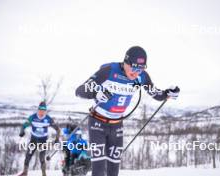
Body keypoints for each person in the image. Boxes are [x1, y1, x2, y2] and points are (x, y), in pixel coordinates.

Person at [75, 46, 180, 176]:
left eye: (141, 69)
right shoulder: (108, 71)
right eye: (134, 68)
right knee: (99, 169)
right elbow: (79, 91)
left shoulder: (142, 76)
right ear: (126, 62)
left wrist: (167, 93)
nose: (136, 73)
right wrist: (95, 93)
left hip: (117, 125)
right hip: (97, 122)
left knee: (113, 170)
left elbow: (156, 94)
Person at [18, 101, 60, 176]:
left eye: (43, 111)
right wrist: (22, 131)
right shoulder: (33, 117)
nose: (41, 113)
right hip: (33, 140)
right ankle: (25, 172)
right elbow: (24, 125)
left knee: (42, 158)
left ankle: (44, 174)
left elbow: (57, 129)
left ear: (45, 111)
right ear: (38, 110)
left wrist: (57, 139)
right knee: (28, 155)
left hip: (43, 141)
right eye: (40, 110)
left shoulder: (48, 119)